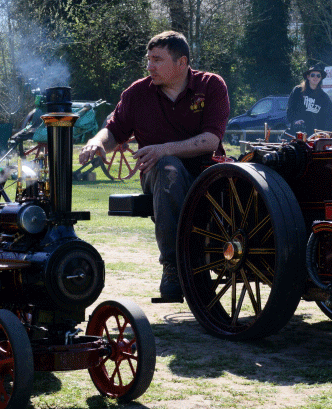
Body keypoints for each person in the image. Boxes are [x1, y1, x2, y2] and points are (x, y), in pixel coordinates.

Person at [78, 31, 230, 300]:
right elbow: (114, 131)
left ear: (181, 63)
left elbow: (211, 139)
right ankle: (172, 265)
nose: (150, 67)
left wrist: (163, 148)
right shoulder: (136, 94)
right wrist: (97, 142)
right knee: (167, 167)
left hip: (208, 173)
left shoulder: (211, 86)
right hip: (160, 175)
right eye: (148, 60)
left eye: (157, 60)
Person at [286, 63, 332, 135]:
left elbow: (329, 118)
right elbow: (290, 109)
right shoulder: (297, 91)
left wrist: (325, 134)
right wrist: (295, 121)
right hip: (298, 134)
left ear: (320, 78)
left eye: (318, 76)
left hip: (315, 136)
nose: (315, 77)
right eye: (313, 75)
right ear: (308, 77)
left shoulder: (324, 97)